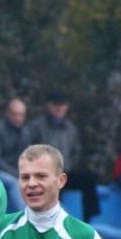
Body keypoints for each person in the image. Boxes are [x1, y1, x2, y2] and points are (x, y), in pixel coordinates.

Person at [25, 91, 98, 221]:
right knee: (54, 184)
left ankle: (89, 220)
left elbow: (76, 151)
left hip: (64, 171)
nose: (59, 108)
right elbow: (29, 151)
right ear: (48, 106)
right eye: (56, 104)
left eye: (63, 104)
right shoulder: (36, 126)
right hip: (43, 173)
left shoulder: (70, 128)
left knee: (88, 179)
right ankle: (51, 221)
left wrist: (67, 165)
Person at [0, 98, 28, 212]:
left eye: (21, 115)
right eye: (15, 114)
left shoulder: (25, 132)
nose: (18, 118)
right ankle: (25, 218)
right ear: (7, 113)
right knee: (14, 183)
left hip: (17, 172)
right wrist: (16, 173)